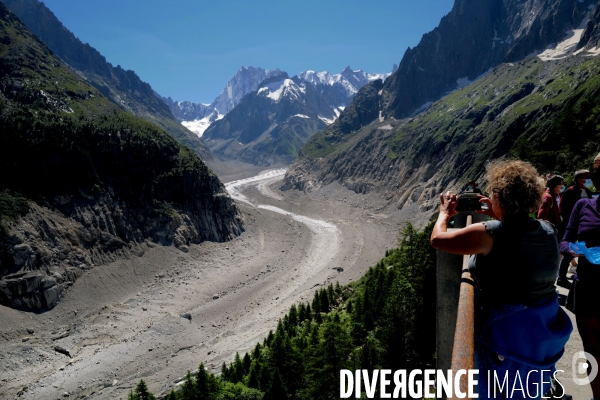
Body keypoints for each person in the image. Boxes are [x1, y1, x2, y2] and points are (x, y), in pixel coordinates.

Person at [431, 160, 572, 399]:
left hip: (506, 334)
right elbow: (521, 239)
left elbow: (438, 239)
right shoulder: (548, 230)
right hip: (540, 328)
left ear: (498, 196)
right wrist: (497, 214)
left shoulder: (490, 233)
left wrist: (445, 213)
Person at [560, 154, 600, 399]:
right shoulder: (582, 206)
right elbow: (565, 241)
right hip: (588, 289)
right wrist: (575, 251)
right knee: (593, 352)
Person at [556, 170, 593, 288]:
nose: (589, 180)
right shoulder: (569, 192)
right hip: (572, 226)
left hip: (584, 227)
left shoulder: (588, 191)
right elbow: (564, 210)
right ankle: (561, 277)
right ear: (579, 180)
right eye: (586, 178)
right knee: (569, 252)